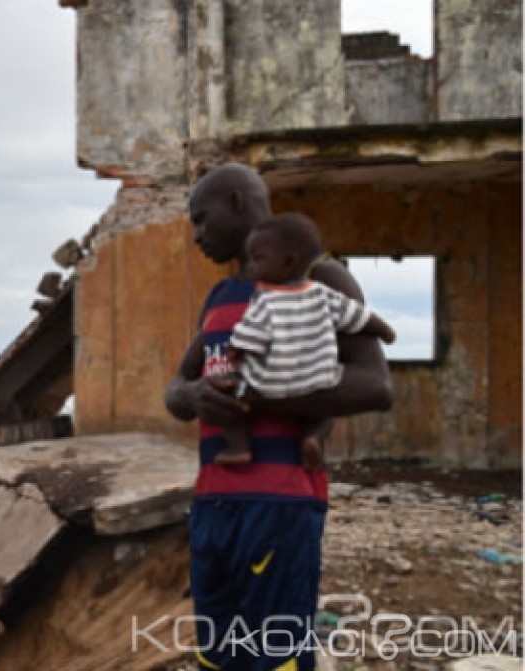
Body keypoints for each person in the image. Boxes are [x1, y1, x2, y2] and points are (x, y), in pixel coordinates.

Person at [164, 163, 393, 671]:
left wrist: (258, 393)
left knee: (275, 657)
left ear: (238, 203)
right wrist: (195, 394)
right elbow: (176, 388)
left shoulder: (320, 278)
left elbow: (375, 385)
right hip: (213, 504)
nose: (197, 235)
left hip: (280, 503)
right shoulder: (220, 296)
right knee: (216, 655)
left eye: (202, 219)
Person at [218, 212, 396, 468]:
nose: (249, 267)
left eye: (257, 259)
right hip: (317, 378)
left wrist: (235, 350)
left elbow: (251, 333)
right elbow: (357, 316)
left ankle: (239, 448)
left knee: (228, 395)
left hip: (271, 382)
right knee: (326, 408)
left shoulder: (265, 300)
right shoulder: (323, 293)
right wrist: (385, 331)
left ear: (288, 262)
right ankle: (313, 437)